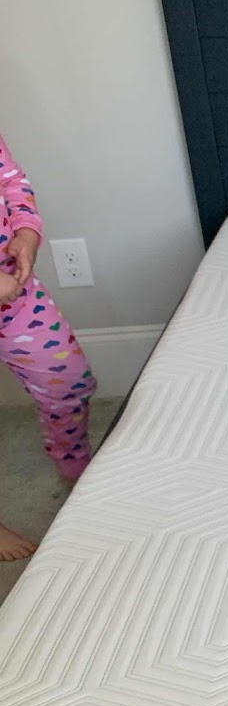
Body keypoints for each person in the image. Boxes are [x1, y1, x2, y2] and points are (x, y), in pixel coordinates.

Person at [0, 133, 96, 561]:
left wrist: (26, 232)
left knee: (67, 383)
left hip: (15, 295)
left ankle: (74, 469)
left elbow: (11, 181)